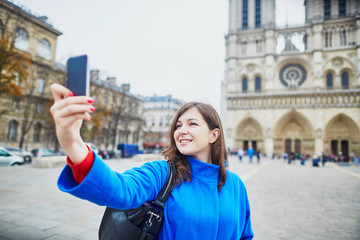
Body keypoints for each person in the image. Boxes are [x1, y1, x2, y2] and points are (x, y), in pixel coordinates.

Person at [50, 83, 254, 240]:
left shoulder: (236, 185)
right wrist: (73, 142)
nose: (182, 130)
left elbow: (245, 235)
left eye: (192, 124)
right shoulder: (162, 173)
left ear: (213, 135)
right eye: (178, 125)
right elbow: (119, 189)